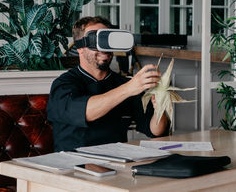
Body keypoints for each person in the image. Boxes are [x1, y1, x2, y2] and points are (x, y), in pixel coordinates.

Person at [47, 16, 169, 151]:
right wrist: (129, 88)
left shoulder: (124, 84)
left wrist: (159, 108)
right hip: (72, 164)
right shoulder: (63, 85)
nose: (104, 49)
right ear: (79, 47)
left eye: (107, 41)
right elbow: (86, 112)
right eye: (96, 41)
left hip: (116, 161)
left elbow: (155, 131)